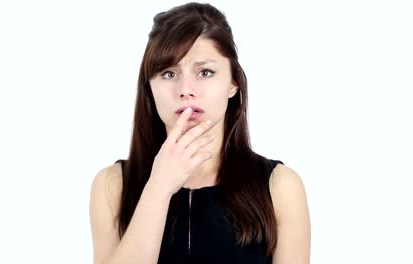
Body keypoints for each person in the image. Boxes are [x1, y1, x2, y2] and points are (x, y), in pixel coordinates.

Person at [89, 2, 310, 264]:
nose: (186, 90)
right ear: (149, 88)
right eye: (169, 73)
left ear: (233, 84)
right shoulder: (112, 185)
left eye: (205, 72)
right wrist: (159, 186)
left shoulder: (280, 187)